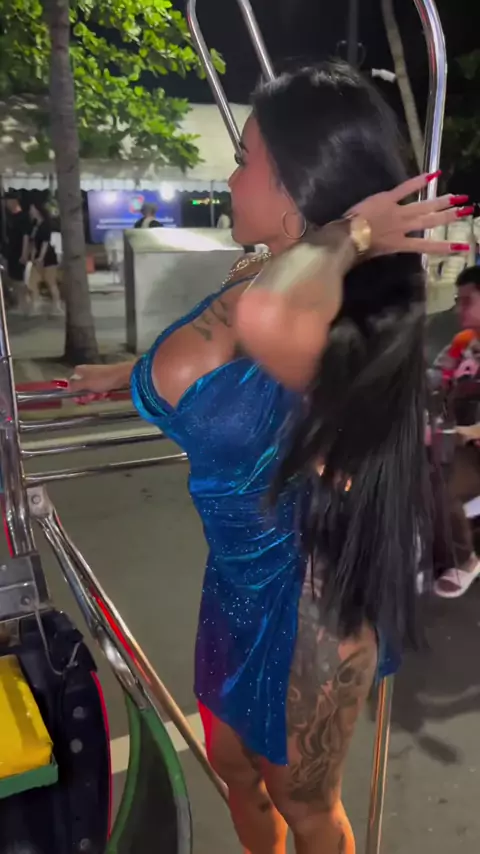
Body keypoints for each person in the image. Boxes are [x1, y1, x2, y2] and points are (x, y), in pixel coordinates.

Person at [68, 63, 468, 854]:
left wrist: (352, 233)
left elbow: (269, 331)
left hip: (307, 599)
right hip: (234, 583)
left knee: (304, 803)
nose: (228, 177)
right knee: (232, 767)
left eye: (244, 158)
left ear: (296, 186)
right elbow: (212, 360)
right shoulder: (258, 268)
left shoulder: (327, 314)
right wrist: (131, 373)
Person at [429, 265, 480, 596]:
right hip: (453, 438)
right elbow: (434, 380)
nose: (458, 308)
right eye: (458, 300)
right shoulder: (462, 343)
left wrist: (466, 432)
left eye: (467, 301)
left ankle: (464, 560)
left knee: (437, 478)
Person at [28, 202, 62, 316]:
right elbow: (34, 243)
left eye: (32, 209)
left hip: (48, 258)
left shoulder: (45, 225)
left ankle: (57, 306)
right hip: (38, 257)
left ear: (38, 211)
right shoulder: (35, 226)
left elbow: (45, 243)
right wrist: (33, 257)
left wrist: (41, 257)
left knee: (51, 282)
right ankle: (35, 306)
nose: (30, 212)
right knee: (32, 282)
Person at [3, 191, 31, 309]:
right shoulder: (10, 217)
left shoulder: (23, 217)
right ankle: (18, 302)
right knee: (13, 277)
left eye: (7, 201)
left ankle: (23, 303)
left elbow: (26, 236)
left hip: (19, 252)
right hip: (11, 252)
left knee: (19, 279)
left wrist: (24, 253)